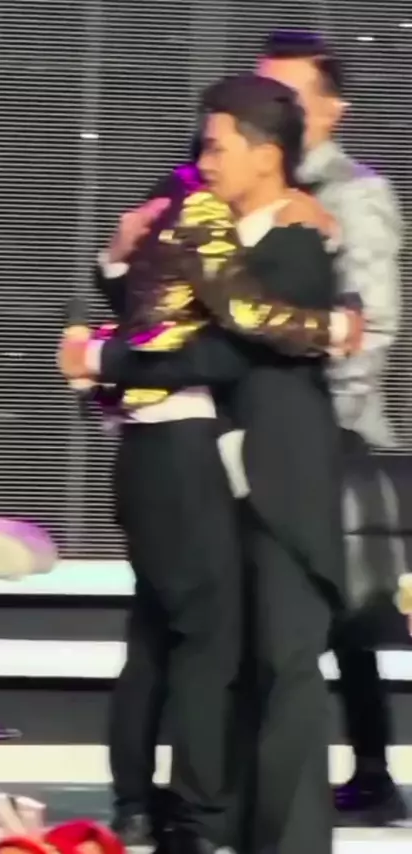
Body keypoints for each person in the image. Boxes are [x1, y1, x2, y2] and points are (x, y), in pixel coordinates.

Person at [60, 73, 359, 854]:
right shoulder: (211, 225)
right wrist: (115, 282)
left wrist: (103, 360)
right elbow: (163, 309)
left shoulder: (299, 239)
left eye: (219, 146)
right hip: (212, 470)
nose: (204, 160)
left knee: (282, 661)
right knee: (226, 653)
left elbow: (227, 352)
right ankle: (216, 820)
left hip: (281, 477)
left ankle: (276, 837)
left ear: (266, 155)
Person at [259, 29, 403, 816]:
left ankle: (370, 766)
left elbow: (371, 323)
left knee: (340, 607)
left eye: (289, 95)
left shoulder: (354, 194)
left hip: (329, 429)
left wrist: (323, 423)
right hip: (259, 425)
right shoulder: (243, 185)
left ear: (331, 108)